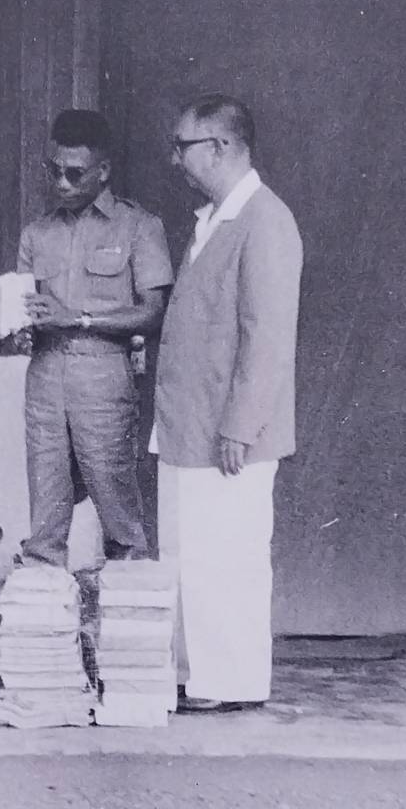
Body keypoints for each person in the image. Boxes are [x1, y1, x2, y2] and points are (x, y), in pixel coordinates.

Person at [151, 94, 303, 713]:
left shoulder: (265, 221)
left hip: (227, 434)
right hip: (190, 426)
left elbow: (267, 335)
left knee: (227, 559)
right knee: (191, 556)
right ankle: (200, 675)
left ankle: (230, 681)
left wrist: (241, 425)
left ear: (219, 146)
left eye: (183, 146)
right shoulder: (215, 219)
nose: (175, 159)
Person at [16, 108, 172, 565]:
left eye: (74, 173)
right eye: (54, 170)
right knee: (44, 518)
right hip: (43, 378)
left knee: (120, 514)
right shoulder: (37, 232)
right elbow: (25, 308)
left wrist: (80, 319)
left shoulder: (139, 227)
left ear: (103, 171)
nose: (61, 183)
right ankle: (47, 622)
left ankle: (131, 620)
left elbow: (153, 312)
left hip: (105, 379)